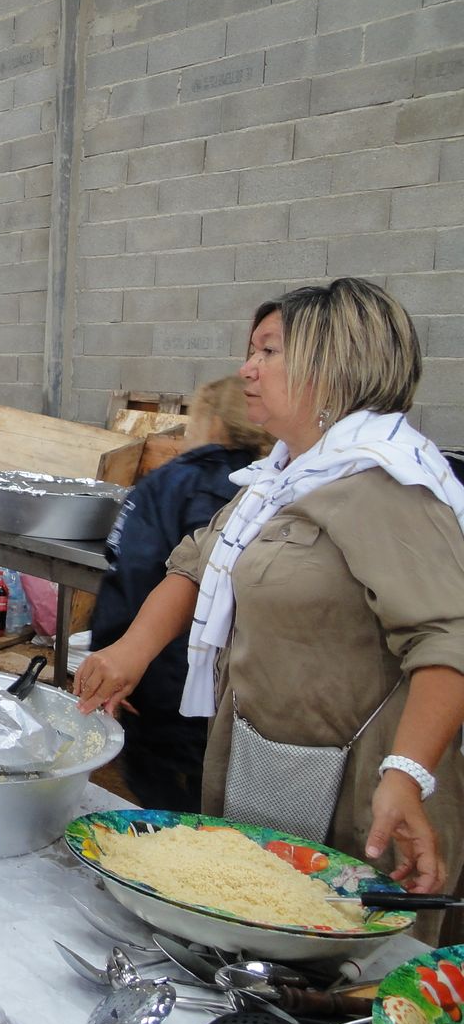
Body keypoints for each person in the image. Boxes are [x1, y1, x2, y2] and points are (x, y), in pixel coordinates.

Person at [76, 278, 464, 916]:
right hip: (268, 766)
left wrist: (407, 773)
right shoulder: (280, 479)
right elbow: (199, 563)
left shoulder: (388, 487)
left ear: (333, 365)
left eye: (268, 351)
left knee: (333, 948)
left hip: (361, 794)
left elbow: (447, 638)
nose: (247, 369)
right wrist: (129, 654)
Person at [88, 377, 272, 813]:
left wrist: (114, 654)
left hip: (164, 684)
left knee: (163, 792)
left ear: (210, 422)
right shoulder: (268, 487)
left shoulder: (167, 485)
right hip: (240, 690)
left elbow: (130, 575)